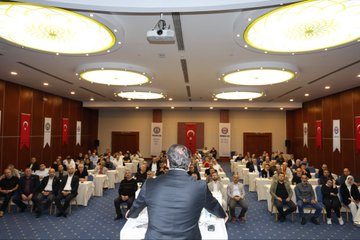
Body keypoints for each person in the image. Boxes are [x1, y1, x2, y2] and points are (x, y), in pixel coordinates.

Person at [127, 144, 227, 239]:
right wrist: (223, 215)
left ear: (168, 162)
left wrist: (129, 214)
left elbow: (135, 210)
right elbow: (214, 206)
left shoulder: (150, 184)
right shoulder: (200, 186)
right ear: (188, 163)